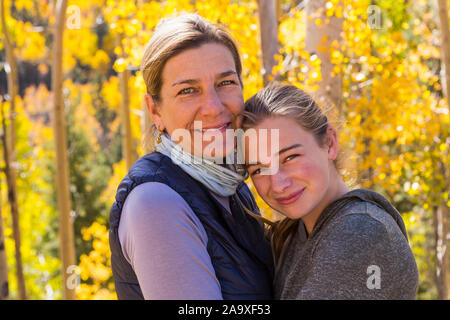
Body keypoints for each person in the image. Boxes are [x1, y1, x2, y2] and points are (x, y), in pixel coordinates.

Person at [108, 13, 273, 300]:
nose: (213, 106)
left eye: (225, 83)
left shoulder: (233, 187)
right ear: (155, 110)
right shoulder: (155, 205)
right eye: (188, 91)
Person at [241, 83, 419, 299]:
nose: (278, 184)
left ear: (330, 143)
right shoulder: (292, 236)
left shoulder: (361, 232)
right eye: (259, 169)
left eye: (290, 157)